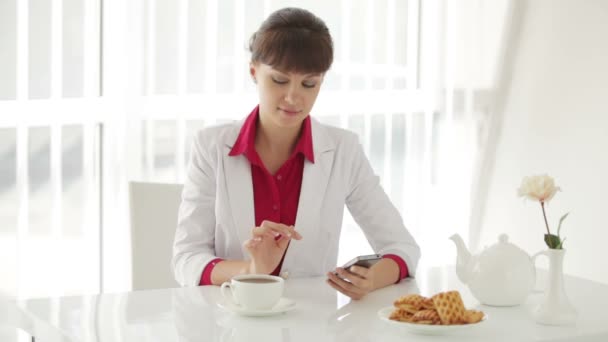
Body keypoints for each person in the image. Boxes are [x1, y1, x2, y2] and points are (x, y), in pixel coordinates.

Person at [172, 7, 420, 300]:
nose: (293, 97)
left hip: (313, 321)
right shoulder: (211, 146)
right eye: (279, 80)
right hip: (231, 321)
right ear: (254, 71)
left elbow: (402, 248)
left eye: (308, 84)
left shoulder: (343, 150)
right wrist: (250, 270)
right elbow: (186, 259)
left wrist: (373, 278)